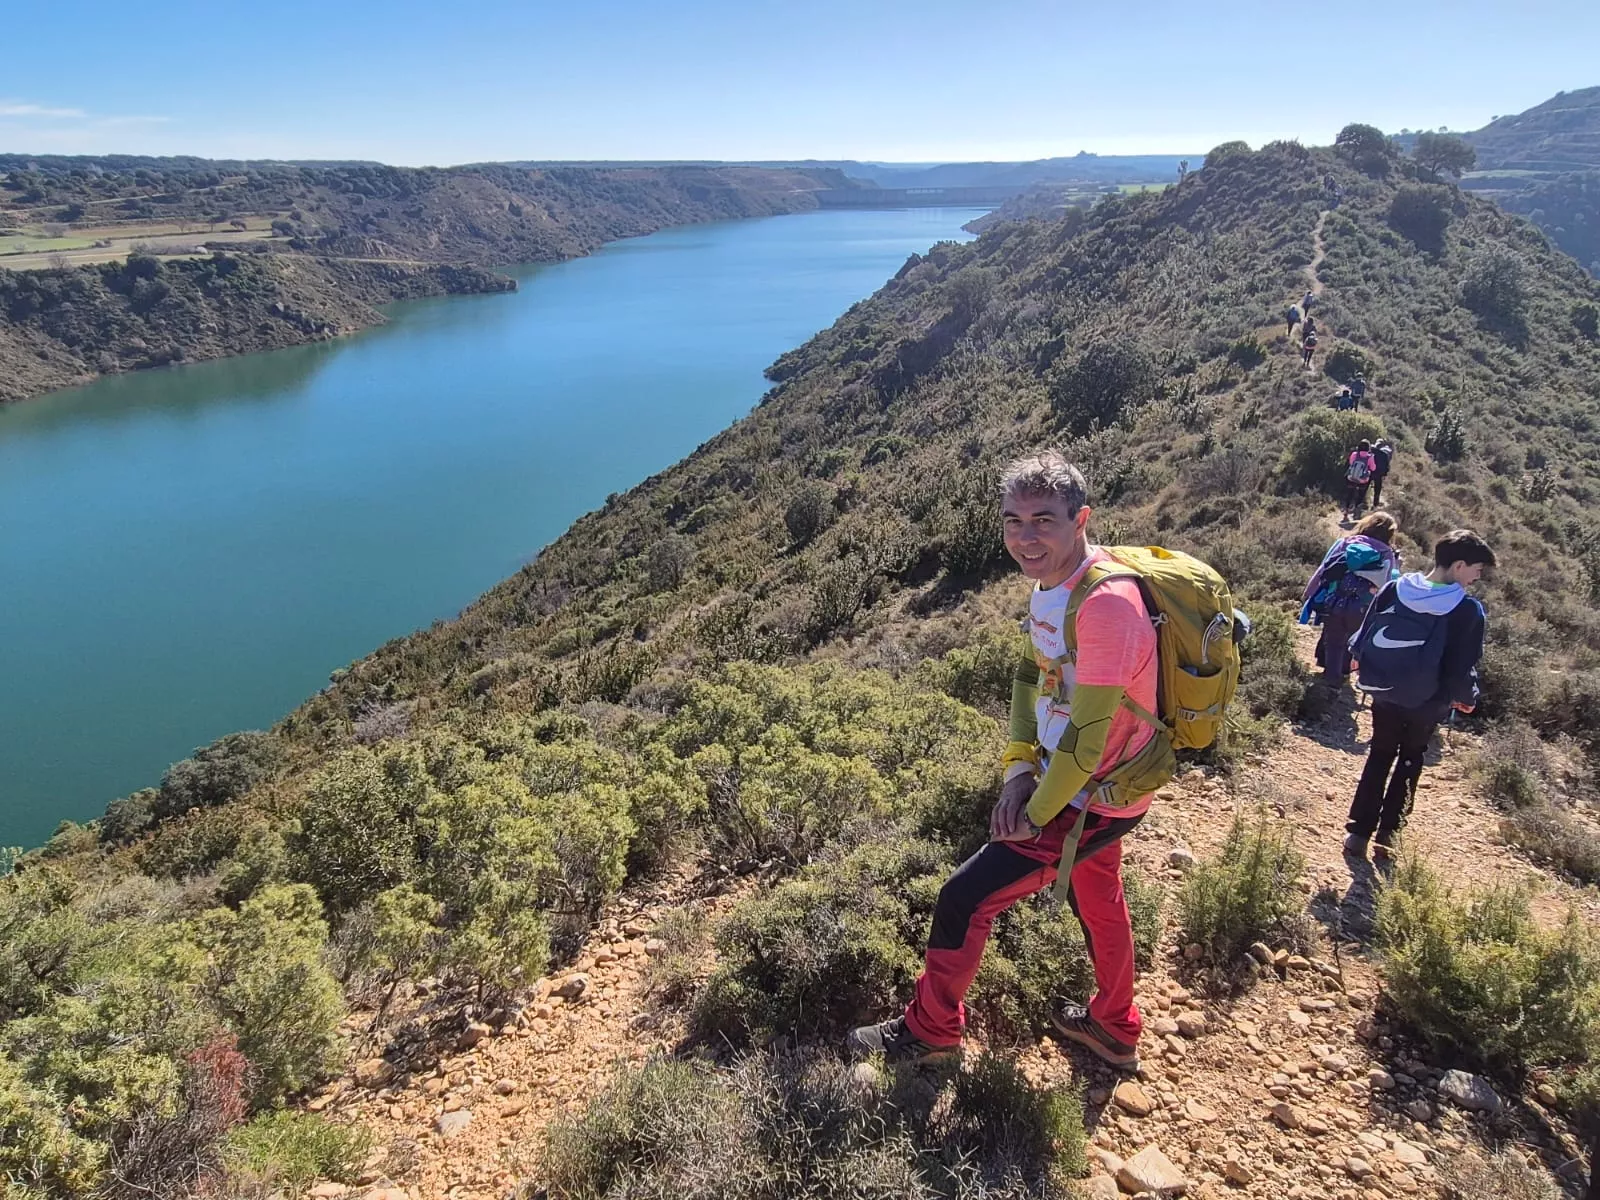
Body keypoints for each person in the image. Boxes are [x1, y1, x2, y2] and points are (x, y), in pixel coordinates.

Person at [847, 451, 1158, 1070]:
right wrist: (1018, 770)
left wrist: (1033, 813)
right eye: (1014, 521)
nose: (1025, 537)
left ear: (1081, 519)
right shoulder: (1054, 585)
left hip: (1090, 794)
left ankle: (932, 1031)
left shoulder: (1104, 605)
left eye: (1043, 520)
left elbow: (1086, 741)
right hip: (1089, 784)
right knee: (1098, 896)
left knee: (963, 899)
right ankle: (1115, 1026)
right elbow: (1027, 674)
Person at [1344, 530, 1494, 858]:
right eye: (1477, 569)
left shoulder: (1395, 588)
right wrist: (1466, 697)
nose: (1478, 576)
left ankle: (1357, 834)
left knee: (1379, 754)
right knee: (1411, 759)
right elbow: (1462, 665)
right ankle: (1388, 836)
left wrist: (1359, 662)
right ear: (1458, 565)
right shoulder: (1467, 610)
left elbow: (1364, 636)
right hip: (1428, 700)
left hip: (1385, 690)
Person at [1300, 512, 1399, 683]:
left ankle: (1332, 680)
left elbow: (1324, 569)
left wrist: (1309, 592)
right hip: (1364, 607)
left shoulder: (1346, 542)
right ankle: (1344, 673)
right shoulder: (1386, 553)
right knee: (1351, 640)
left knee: (1333, 642)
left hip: (1336, 601)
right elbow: (1387, 584)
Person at [1342, 440, 1376, 519]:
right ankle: (1356, 513)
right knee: (1361, 495)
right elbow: (1373, 468)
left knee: (1350, 494)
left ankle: (1346, 511)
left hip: (1352, 477)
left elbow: (1351, 463)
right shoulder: (1370, 457)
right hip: (1363, 480)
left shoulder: (1354, 454)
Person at [1370, 438, 1393, 506]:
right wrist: (1384, 474)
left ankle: (1360, 501)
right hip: (1379, 474)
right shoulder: (1384, 454)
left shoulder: (1371, 451)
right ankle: (1375, 504)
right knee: (1377, 489)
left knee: (1365, 487)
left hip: (1370, 472)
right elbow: (1387, 466)